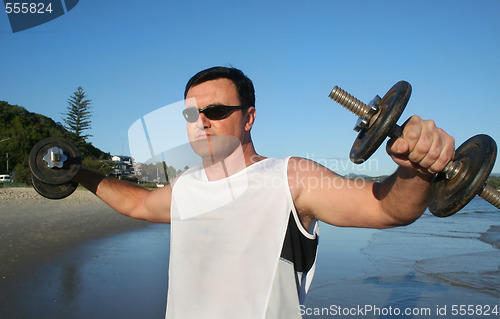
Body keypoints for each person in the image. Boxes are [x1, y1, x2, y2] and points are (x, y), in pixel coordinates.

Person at [73, 66, 455, 318]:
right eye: (191, 114)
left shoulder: (291, 177)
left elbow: (388, 210)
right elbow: (138, 203)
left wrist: (415, 170)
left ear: (249, 117)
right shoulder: (187, 185)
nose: (201, 122)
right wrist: (78, 172)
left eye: (217, 111)